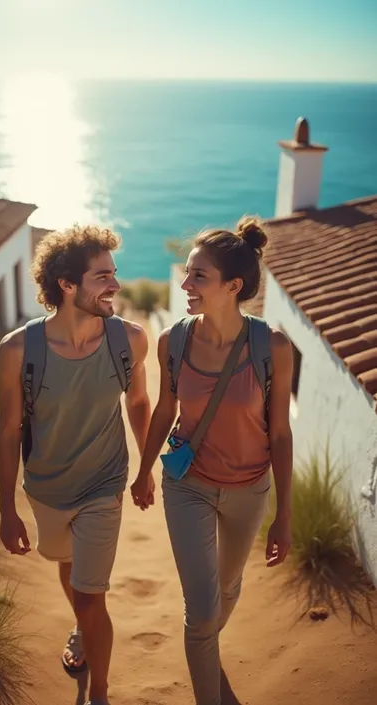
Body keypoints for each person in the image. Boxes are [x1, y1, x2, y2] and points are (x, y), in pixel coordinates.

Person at [130, 216, 293, 705]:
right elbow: (165, 409)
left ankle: (205, 645)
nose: (184, 283)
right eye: (188, 272)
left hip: (249, 491)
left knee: (226, 590)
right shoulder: (173, 342)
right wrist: (143, 471)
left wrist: (284, 516)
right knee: (201, 613)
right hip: (190, 484)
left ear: (233, 286)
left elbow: (280, 433)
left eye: (198, 276)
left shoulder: (273, 348)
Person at [0, 224, 151, 705]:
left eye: (115, 274)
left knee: (90, 595)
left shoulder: (129, 340)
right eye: (102, 276)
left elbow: (140, 403)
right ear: (67, 284)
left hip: (105, 485)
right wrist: (6, 508)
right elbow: (9, 431)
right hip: (46, 489)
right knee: (67, 566)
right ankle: (83, 632)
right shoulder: (18, 351)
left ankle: (99, 693)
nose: (116, 286)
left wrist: (146, 469)